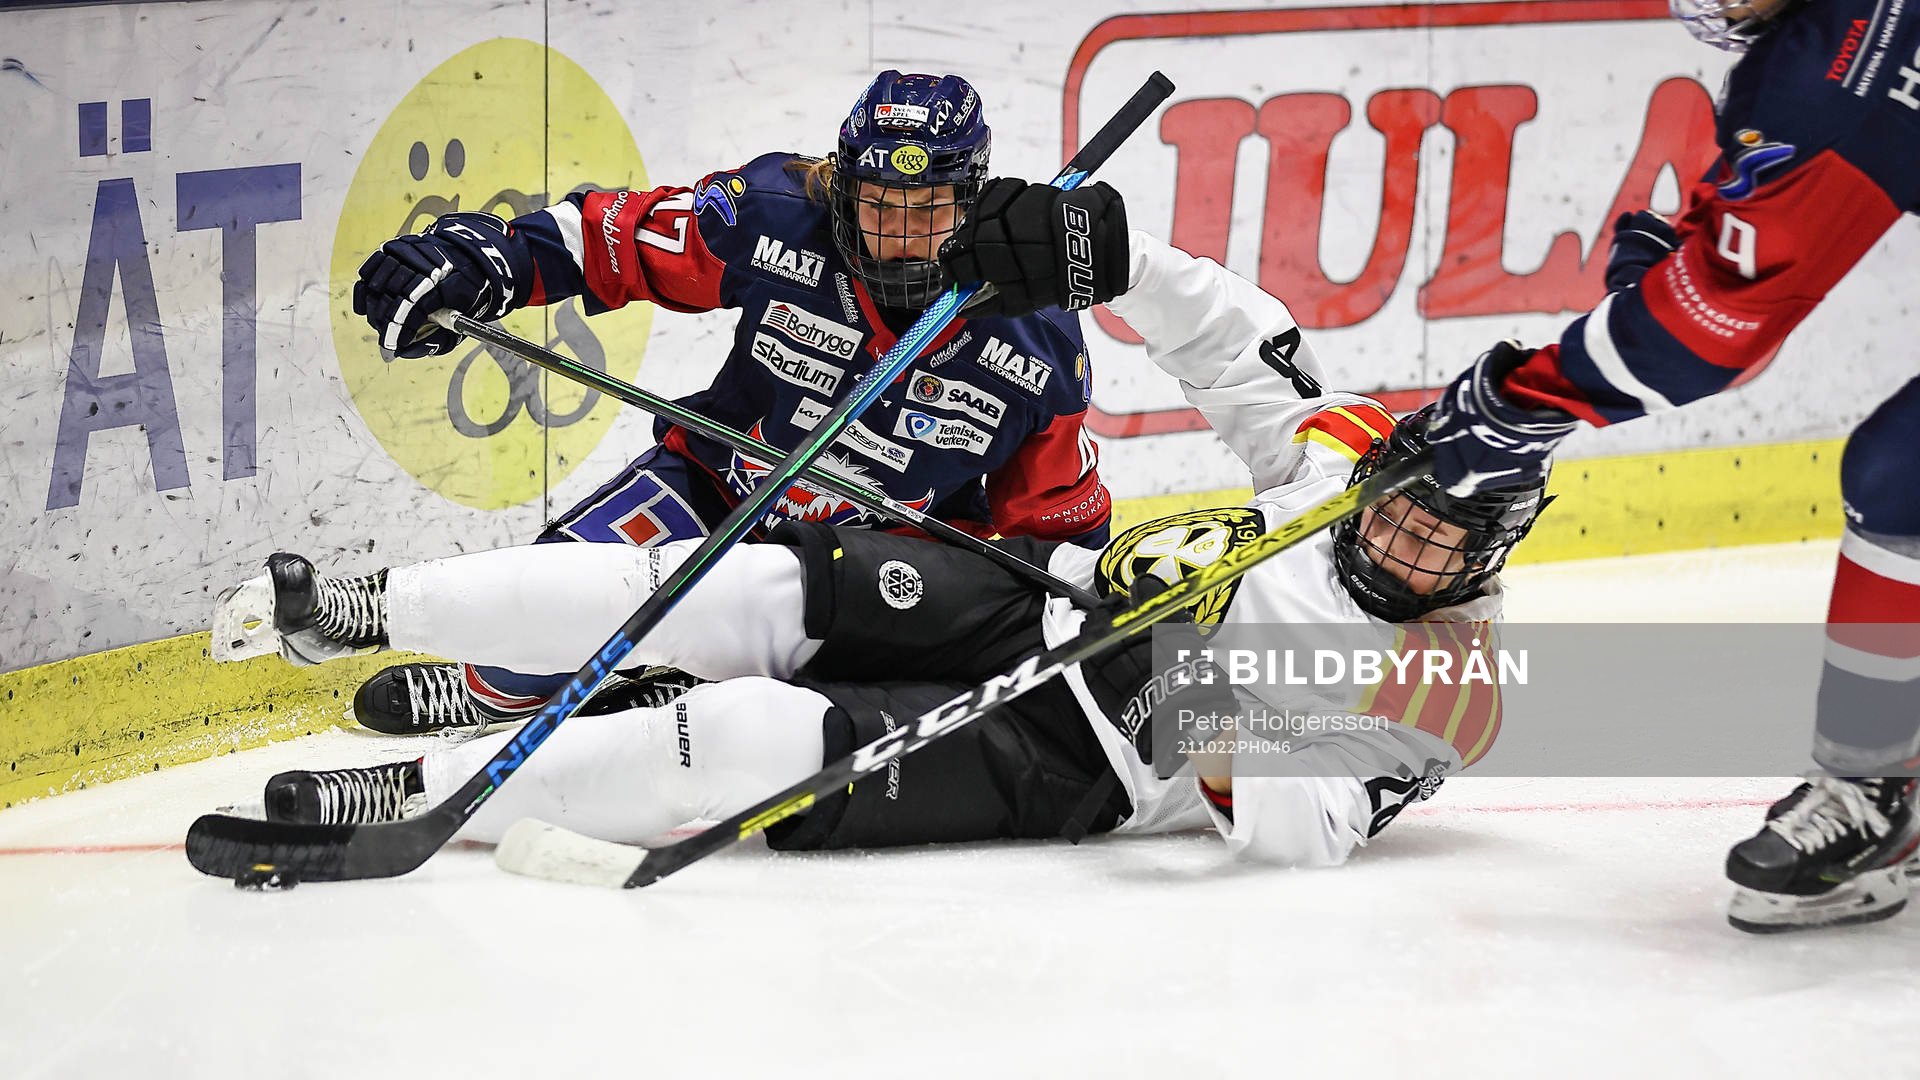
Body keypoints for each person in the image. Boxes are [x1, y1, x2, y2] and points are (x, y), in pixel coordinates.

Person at [212, 193, 1549, 868]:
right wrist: (1110, 252)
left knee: (739, 739)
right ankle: (362, 607)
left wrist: (1205, 723)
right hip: (1045, 602)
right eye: (1412, 513)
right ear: (1398, 469)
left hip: (1080, 755)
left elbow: (1313, 829)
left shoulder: (1456, 691)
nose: (1415, 551)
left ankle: (418, 802)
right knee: (722, 590)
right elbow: (1224, 336)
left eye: (1450, 548)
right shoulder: (1343, 461)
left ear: (1495, 557)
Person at [336, 70, 1116, 735]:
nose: (900, 236)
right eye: (879, 206)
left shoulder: (1036, 339)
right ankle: (498, 692)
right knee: (524, 649)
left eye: (929, 209)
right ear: (845, 192)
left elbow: (1058, 521)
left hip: (872, 567)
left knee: (770, 719)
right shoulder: (772, 213)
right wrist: (488, 259)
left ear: (972, 203)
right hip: (718, 485)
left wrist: (1088, 612)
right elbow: (619, 241)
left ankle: (706, 680)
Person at [1417, 0, 1920, 930]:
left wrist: (1521, 399)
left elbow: (1710, 335)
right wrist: (1702, 237)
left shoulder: (1829, 72)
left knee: (1905, 481)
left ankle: (1874, 792)